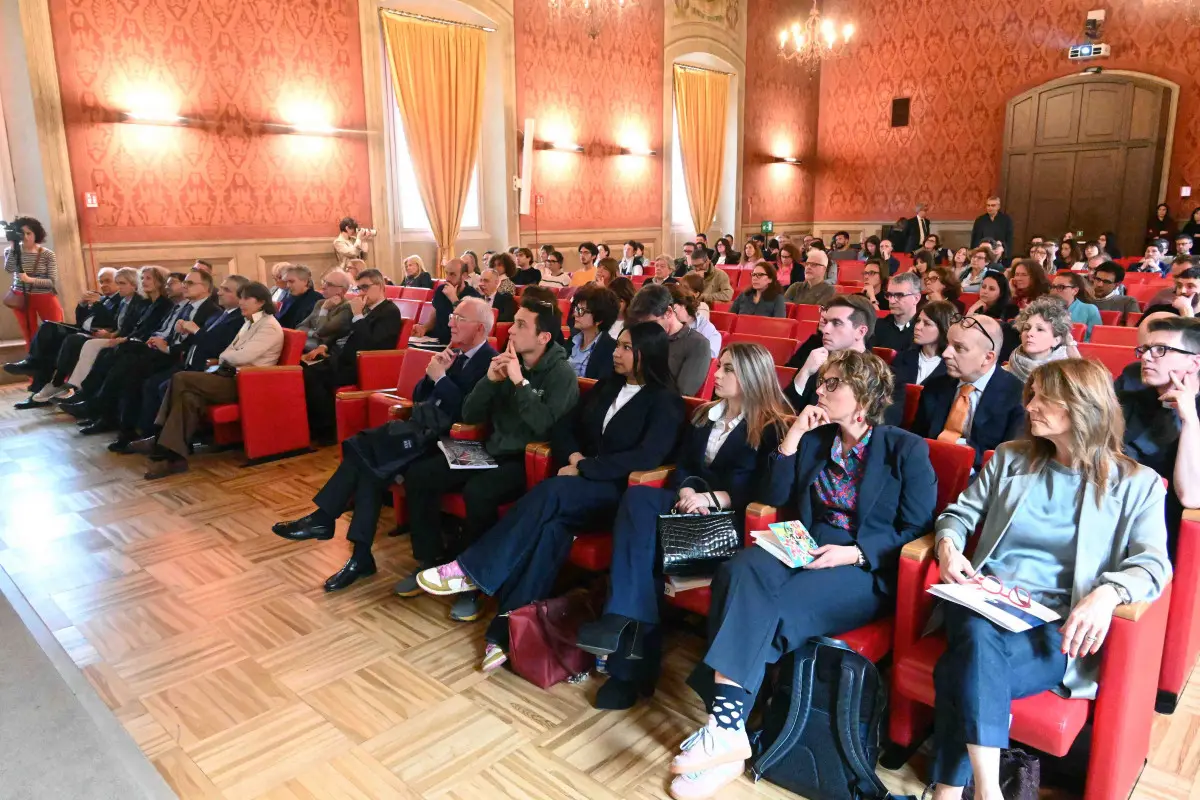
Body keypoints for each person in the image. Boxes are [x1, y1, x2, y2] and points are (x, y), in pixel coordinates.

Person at [665, 350, 937, 800]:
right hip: (804, 540)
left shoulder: (905, 448)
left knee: (777, 607)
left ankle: (724, 731)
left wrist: (854, 553)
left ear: (863, 396)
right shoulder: (814, 437)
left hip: (861, 565)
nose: (820, 391)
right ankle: (728, 735)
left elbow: (917, 529)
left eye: (833, 385)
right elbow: (773, 495)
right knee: (739, 570)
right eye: (821, 382)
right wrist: (791, 438)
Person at [927, 358, 1171, 800]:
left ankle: (948, 790)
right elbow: (958, 515)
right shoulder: (1010, 458)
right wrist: (949, 547)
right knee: (978, 632)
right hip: (986, 600)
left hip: (1056, 626)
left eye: (1044, 398)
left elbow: (1154, 565)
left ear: (1082, 407)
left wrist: (1108, 592)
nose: (1031, 406)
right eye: (1031, 396)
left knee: (960, 667)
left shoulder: (1139, 484)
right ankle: (986, 790)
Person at [417, 323, 684, 670]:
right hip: (579, 485)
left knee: (553, 492)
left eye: (626, 348)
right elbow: (564, 427)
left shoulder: (665, 401)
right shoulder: (608, 385)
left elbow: (646, 458)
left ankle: (470, 569)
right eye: (617, 346)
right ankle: (503, 632)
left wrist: (587, 468)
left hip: (622, 498)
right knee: (550, 530)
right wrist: (575, 460)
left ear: (647, 354)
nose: (616, 353)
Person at [578, 343, 793, 709]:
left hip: (727, 525)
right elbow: (682, 467)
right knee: (639, 499)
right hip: (686, 510)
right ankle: (624, 623)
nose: (718, 374)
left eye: (727, 369)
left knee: (640, 551)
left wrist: (714, 499)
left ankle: (628, 665)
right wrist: (688, 487)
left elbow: (768, 492)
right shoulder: (706, 415)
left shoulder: (774, 427)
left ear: (750, 376)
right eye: (719, 366)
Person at [272, 297, 498, 592]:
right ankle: (357, 552)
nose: (450, 322)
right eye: (452, 315)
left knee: (368, 455)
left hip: (456, 442)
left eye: (459, 319)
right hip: (427, 432)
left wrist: (441, 379)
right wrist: (433, 375)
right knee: (369, 461)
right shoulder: (455, 353)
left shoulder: (489, 362)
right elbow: (419, 396)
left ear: (479, 328)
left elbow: (469, 413)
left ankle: (330, 523)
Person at [393, 297, 579, 619]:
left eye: (521, 325)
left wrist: (519, 382)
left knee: (479, 492)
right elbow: (469, 413)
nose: (511, 330)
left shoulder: (560, 374)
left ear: (544, 337)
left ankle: (474, 583)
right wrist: (490, 382)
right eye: (514, 322)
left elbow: (544, 427)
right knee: (421, 475)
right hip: (489, 450)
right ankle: (432, 561)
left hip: (527, 461)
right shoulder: (507, 361)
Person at [137, 282, 284, 479]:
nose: (241, 302)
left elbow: (239, 356)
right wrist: (227, 356)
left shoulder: (269, 326)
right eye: (240, 298)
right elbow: (231, 351)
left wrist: (226, 356)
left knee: (180, 378)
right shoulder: (249, 322)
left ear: (261, 302)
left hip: (247, 383)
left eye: (247, 298)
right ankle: (174, 458)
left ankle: (158, 436)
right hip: (228, 374)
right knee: (188, 397)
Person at [71, 266, 223, 439]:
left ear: (205, 287)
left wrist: (167, 346)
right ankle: (116, 422)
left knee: (130, 363)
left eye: (190, 283)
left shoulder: (211, 311)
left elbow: (201, 345)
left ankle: (108, 414)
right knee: (124, 363)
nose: (185, 286)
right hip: (165, 351)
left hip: (178, 358)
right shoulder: (187, 307)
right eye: (185, 282)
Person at [114, 274, 250, 449]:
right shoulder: (222, 314)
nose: (220, 292)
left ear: (241, 296)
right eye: (221, 288)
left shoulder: (238, 318)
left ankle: (159, 439)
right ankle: (152, 435)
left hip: (211, 370)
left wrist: (195, 331)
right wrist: (187, 334)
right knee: (145, 376)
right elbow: (202, 342)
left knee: (166, 384)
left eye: (226, 290)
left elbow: (218, 347)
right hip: (191, 363)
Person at [1117, 315, 1200, 545]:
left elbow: (1192, 496)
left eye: (1160, 350)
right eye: (1145, 349)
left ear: (1194, 363)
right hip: (1115, 515)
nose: (1145, 357)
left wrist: (1190, 419)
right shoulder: (1126, 402)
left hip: (1165, 531)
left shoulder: (1194, 415)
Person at [301, 269, 403, 443]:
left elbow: (372, 344)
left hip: (362, 365)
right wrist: (325, 345)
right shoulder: (364, 308)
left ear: (379, 286)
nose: (361, 292)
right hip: (342, 358)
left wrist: (357, 315)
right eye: (358, 288)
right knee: (302, 368)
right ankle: (314, 426)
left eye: (365, 287)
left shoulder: (389, 311)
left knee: (313, 375)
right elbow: (342, 330)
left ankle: (327, 430)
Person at [911, 313, 1026, 467]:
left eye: (959, 347)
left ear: (988, 357)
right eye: (948, 344)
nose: (945, 354)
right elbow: (917, 439)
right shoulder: (935, 386)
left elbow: (1007, 462)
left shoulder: (1017, 395)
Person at [6, 266, 119, 398]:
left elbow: (110, 322)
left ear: (117, 282)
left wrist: (99, 304)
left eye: (107, 281)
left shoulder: (119, 300)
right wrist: (82, 305)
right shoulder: (101, 298)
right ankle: (33, 362)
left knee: (64, 342)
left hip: (96, 335)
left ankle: (53, 382)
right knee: (48, 327)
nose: (103, 285)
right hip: (83, 330)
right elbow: (81, 320)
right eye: (101, 282)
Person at [786, 295, 876, 410]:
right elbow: (785, 412)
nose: (825, 330)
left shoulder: (882, 377)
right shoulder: (816, 361)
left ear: (860, 331)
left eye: (837, 323)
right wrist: (805, 372)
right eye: (826, 322)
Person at [628, 284, 711, 397]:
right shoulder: (643, 334)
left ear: (668, 312)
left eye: (652, 323)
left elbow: (683, 394)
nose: (647, 330)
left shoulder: (698, 344)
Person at [4, 215, 64, 348]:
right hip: (20, 297)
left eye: (28, 233)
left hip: (44, 296)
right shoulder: (10, 250)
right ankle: (33, 359)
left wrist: (29, 280)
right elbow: (9, 269)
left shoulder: (47, 254)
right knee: (29, 332)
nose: (25, 237)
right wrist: (14, 247)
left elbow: (51, 281)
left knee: (56, 328)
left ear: (36, 234)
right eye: (21, 233)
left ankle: (56, 359)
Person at [1004, 296, 1082, 383]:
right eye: (1026, 328)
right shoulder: (1005, 371)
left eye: (1040, 329)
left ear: (1056, 340)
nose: (1029, 333)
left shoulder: (1067, 374)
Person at [891, 300, 955, 386]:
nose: (917, 327)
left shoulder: (953, 365)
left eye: (927, 324)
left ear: (944, 327)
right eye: (918, 321)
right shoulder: (901, 358)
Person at [420, 258, 480, 345]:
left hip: (456, 343)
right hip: (435, 340)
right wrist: (423, 328)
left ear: (464, 276)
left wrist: (453, 298)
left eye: (452, 274)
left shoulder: (473, 296)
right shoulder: (441, 290)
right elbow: (432, 320)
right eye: (446, 273)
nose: (447, 278)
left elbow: (465, 325)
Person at [568, 285, 620, 379]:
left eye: (581, 310)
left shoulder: (610, 350)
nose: (575, 314)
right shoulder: (572, 341)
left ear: (599, 319)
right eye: (576, 309)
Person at [296, 270, 352, 352]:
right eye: (324, 282)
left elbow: (321, 331)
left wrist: (324, 310)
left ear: (342, 290)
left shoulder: (346, 307)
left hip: (326, 349)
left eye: (329, 284)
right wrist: (314, 333)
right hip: (310, 342)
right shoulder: (320, 303)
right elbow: (300, 327)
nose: (323, 286)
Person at [873, 272, 922, 352]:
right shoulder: (877, 327)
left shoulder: (924, 330)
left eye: (899, 295)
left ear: (916, 298)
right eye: (889, 295)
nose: (891, 301)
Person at [675, 277, 721, 358]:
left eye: (685, 288)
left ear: (696, 294)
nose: (681, 290)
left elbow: (707, 359)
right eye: (680, 286)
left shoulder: (702, 307)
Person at [1050, 272, 1102, 339]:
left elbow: (1095, 339)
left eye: (1061, 287)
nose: (1054, 291)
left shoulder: (1089, 309)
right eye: (1053, 287)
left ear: (1075, 291)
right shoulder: (1045, 309)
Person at [275, 265, 322, 330]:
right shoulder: (287, 298)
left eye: (291, 281)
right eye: (286, 282)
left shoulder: (317, 300)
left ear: (305, 281)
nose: (288, 285)